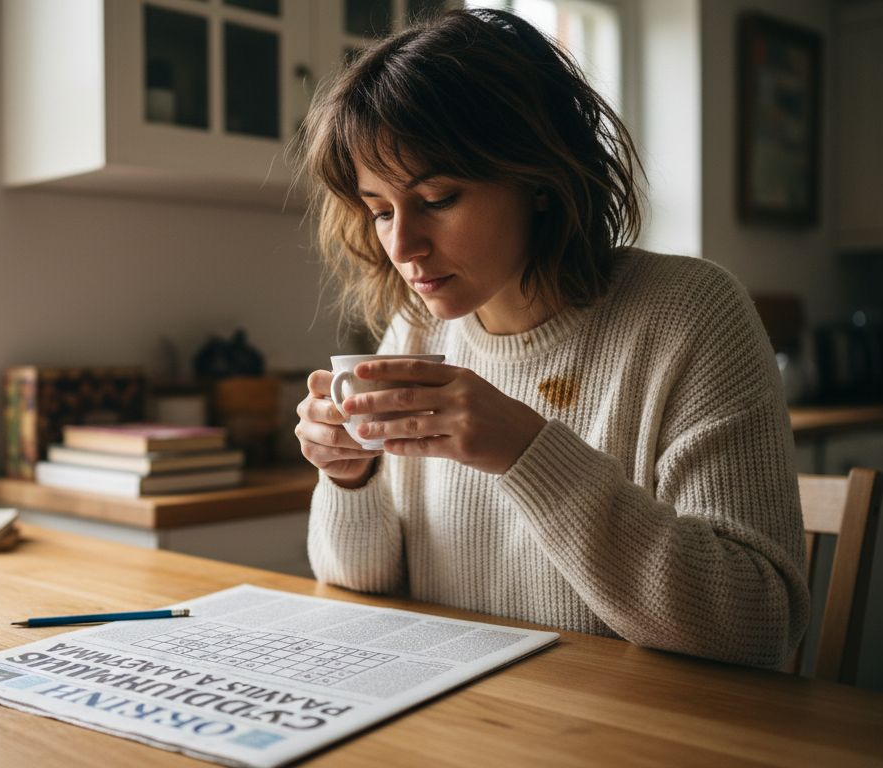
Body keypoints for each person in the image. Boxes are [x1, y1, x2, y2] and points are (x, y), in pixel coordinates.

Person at [293, 8, 807, 669]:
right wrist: (350, 475)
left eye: (439, 197)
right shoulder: (417, 331)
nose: (402, 245)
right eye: (381, 210)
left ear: (536, 177)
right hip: (468, 722)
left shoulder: (689, 315)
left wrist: (527, 452)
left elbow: (759, 622)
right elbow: (356, 584)